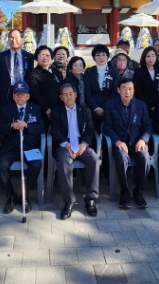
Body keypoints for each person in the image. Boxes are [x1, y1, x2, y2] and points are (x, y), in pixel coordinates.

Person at [51, 83, 100, 219]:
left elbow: (90, 129)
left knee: (95, 160)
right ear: (61, 97)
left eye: (71, 94)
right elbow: (55, 131)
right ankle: (69, 201)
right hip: (65, 145)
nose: (69, 97)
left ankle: (90, 199)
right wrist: (66, 145)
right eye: (65, 95)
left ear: (76, 95)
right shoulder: (56, 112)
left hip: (81, 143)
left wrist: (84, 144)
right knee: (63, 161)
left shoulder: (85, 110)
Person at [102, 78, 152, 209]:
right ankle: (124, 190)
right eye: (124, 89)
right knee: (122, 157)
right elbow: (106, 127)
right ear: (118, 90)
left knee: (145, 157)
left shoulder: (141, 105)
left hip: (137, 143)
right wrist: (117, 141)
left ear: (134, 90)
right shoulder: (110, 105)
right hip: (120, 143)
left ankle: (138, 190)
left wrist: (143, 139)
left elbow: (147, 126)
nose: (127, 92)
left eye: (130, 89)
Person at [0, 81, 45, 213]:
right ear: (13, 96)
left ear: (28, 96)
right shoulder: (7, 109)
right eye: (17, 94)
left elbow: (41, 128)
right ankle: (11, 196)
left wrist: (27, 125)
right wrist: (11, 126)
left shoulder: (35, 108)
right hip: (11, 147)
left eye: (23, 94)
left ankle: (25, 196)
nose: (20, 96)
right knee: (0, 165)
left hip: (29, 146)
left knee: (36, 164)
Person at [83, 44, 120, 132]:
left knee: (109, 133)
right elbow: (87, 92)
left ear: (107, 57)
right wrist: (96, 108)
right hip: (93, 109)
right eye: (98, 55)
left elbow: (114, 92)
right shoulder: (89, 72)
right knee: (93, 133)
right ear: (94, 58)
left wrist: (104, 108)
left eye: (103, 55)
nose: (101, 58)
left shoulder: (114, 72)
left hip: (109, 108)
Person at [0, 29, 34, 108]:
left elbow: (30, 75)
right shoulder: (1, 56)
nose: (13, 40)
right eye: (11, 37)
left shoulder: (29, 56)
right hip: (7, 92)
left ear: (22, 40)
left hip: (23, 91)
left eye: (16, 37)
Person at [28, 45, 62, 127]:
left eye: (47, 55)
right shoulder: (34, 74)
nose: (45, 57)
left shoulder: (56, 71)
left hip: (59, 109)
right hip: (44, 112)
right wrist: (46, 109)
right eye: (42, 55)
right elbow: (35, 94)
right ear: (37, 57)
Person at [133, 46, 159, 118]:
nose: (151, 58)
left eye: (153, 56)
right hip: (144, 105)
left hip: (158, 106)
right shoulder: (139, 72)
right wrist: (147, 105)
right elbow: (137, 91)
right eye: (148, 56)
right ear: (144, 58)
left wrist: (158, 105)